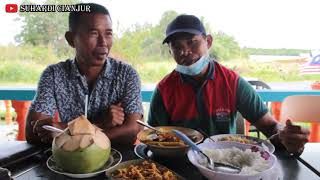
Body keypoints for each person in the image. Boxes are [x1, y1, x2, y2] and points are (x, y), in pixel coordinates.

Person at [148, 14, 309, 154]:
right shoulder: (164, 90)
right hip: (181, 165)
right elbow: (153, 137)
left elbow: (270, 126)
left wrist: (287, 135)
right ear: (170, 52)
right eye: (177, 47)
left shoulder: (232, 83)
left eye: (192, 42)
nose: (185, 52)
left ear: (208, 41)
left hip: (228, 164)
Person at [26, 3, 143, 145]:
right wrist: (100, 123)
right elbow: (33, 132)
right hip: (69, 162)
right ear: (71, 39)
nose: (103, 42)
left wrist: (65, 130)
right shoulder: (54, 75)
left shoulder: (126, 74)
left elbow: (132, 130)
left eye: (108, 33)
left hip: (117, 161)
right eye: (93, 33)